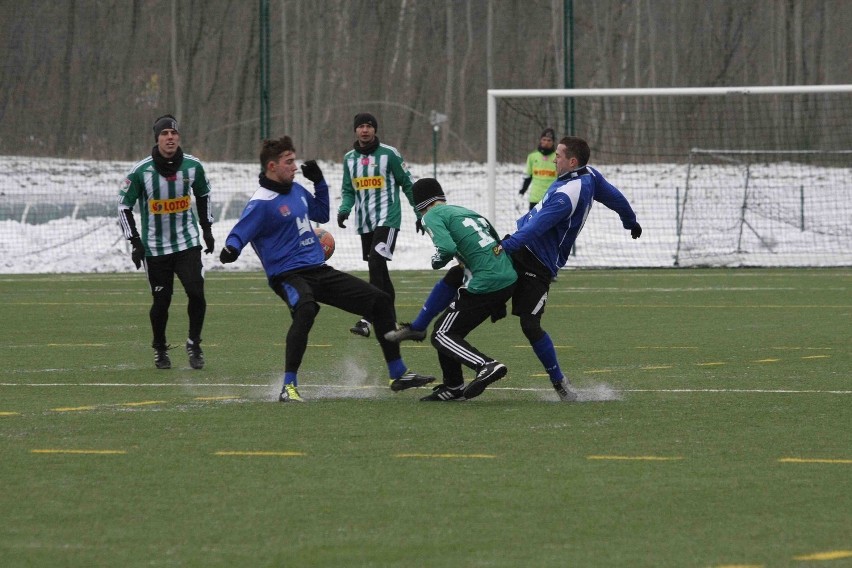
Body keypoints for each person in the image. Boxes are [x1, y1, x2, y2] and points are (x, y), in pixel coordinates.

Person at [387, 136, 642, 402]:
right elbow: (613, 195)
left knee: (530, 325)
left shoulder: (568, 196)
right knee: (458, 273)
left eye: (559, 155)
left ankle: (560, 384)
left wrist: (506, 246)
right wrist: (630, 220)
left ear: (572, 161)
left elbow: (537, 227)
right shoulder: (588, 174)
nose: (554, 158)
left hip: (537, 263)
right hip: (518, 250)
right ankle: (423, 334)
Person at [219, 136, 434, 402]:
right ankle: (288, 387)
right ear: (272, 166)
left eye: (294, 161)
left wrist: (319, 182)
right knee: (307, 308)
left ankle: (398, 373)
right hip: (287, 276)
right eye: (289, 162)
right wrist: (231, 248)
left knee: (380, 301)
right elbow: (240, 232)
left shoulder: (296, 190)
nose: (295, 167)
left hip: (318, 269)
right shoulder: (261, 202)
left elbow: (321, 213)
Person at [403, 179, 517, 401]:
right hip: (507, 278)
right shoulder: (465, 211)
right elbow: (494, 242)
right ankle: (454, 386)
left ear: (418, 204)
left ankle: (486, 365)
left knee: (441, 334)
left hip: (484, 282)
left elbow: (446, 249)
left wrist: (435, 261)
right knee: (449, 329)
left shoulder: (431, 215)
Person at [118, 114, 215, 370]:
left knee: (197, 293)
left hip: (187, 243)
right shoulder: (141, 172)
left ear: (178, 137)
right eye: (164, 134)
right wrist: (135, 242)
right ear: (157, 138)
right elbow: (123, 206)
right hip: (155, 248)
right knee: (162, 301)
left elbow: (204, 194)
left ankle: (194, 343)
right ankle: (160, 348)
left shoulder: (193, 167)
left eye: (173, 133)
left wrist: (207, 230)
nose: (170, 137)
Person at [337, 113, 418, 339]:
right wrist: (344, 209)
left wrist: (421, 213)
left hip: (388, 219)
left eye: (369, 126)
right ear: (355, 130)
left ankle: (368, 318)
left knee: (375, 261)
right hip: (365, 223)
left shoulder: (389, 154)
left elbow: (408, 184)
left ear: (375, 130)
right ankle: (390, 321)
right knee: (379, 270)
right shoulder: (349, 159)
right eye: (361, 126)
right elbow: (348, 190)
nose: (365, 130)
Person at [519, 128, 558, 210]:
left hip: (551, 199)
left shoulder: (558, 158)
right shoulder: (532, 157)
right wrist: (521, 193)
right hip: (535, 200)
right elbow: (528, 177)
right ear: (540, 140)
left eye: (549, 140)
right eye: (544, 139)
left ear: (553, 142)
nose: (546, 142)